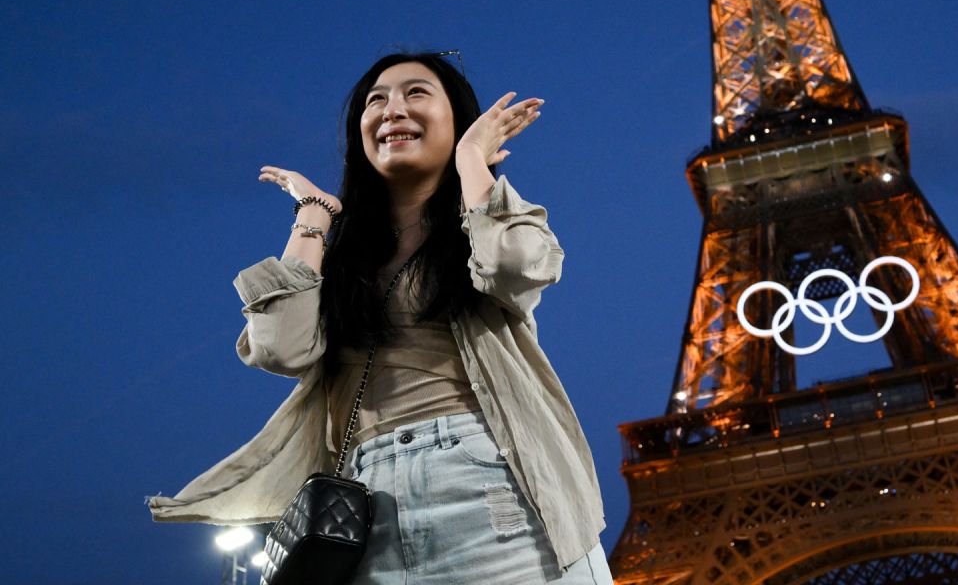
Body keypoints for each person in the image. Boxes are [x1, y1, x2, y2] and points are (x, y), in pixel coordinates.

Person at [146, 51, 614, 584]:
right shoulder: (342, 259)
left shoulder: (479, 224)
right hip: (367, 508)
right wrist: (313, 214)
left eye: (416, 93)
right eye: (376, 100)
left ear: (458, 122)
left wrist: (471, 163)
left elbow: (515, 265)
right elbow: (280, 348)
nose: (392, 108)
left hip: (489, 488)